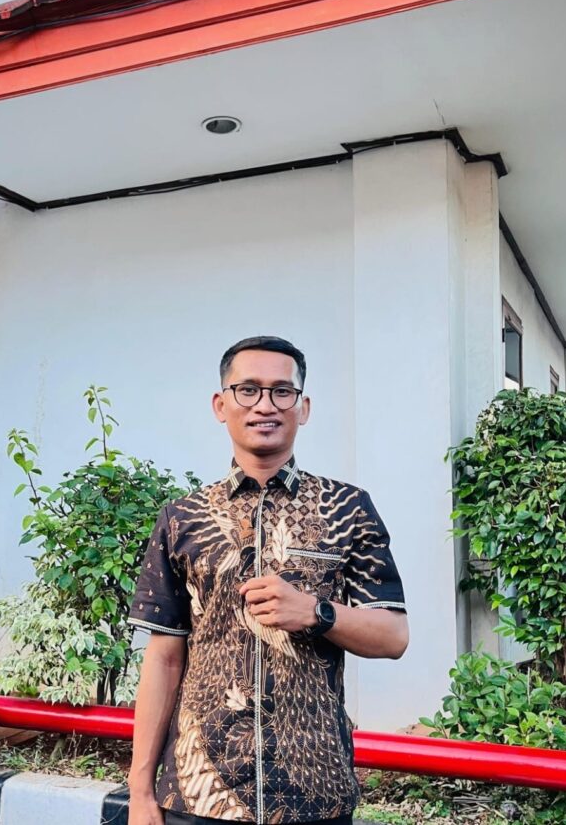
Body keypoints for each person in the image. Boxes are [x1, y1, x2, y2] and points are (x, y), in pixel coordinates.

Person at [127, 336, 409, 825]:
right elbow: (164, 658)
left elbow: (393, 636)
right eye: (248, 390)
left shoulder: (348, 508)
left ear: (303, 407)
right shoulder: (182, 518)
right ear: (221, 405)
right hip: (199, 794)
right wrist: (140, 790)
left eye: (282, 391)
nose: (265, 405)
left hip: (314, 793)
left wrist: (315, 612)